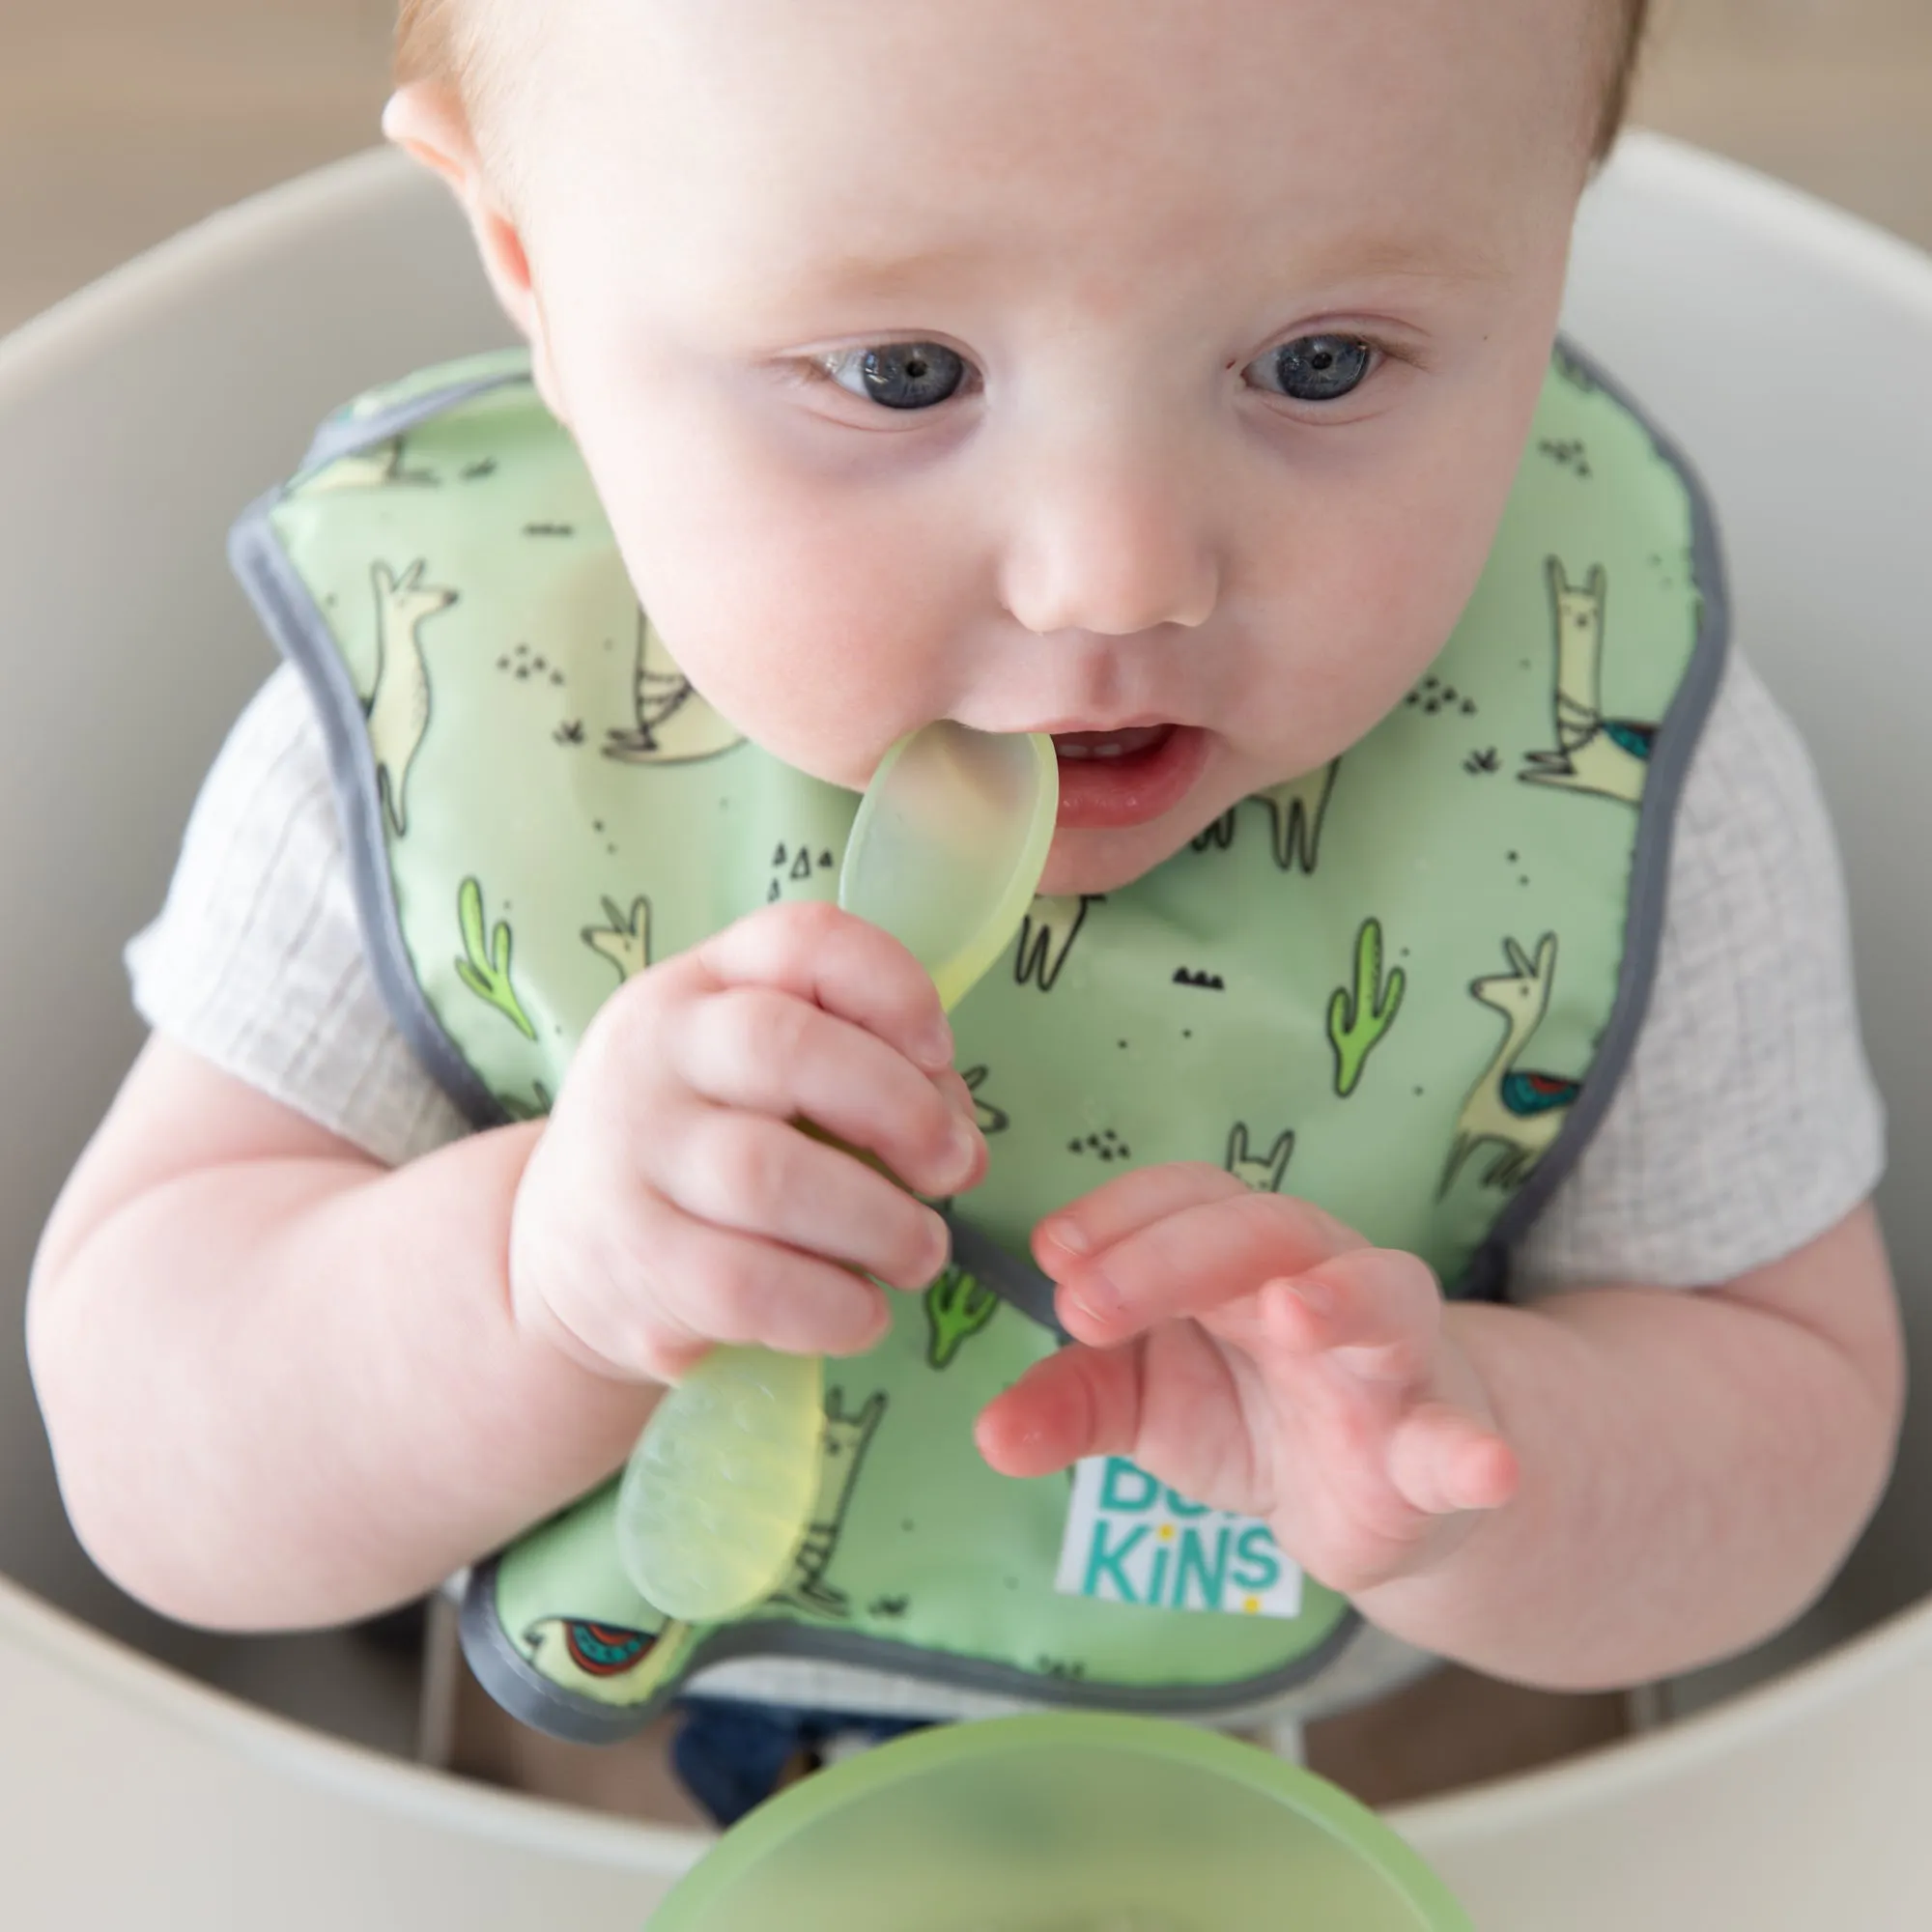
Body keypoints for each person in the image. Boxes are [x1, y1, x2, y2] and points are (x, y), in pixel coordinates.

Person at [27, 0, 1901, 1823]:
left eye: (1319, 363)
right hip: (626, 1751)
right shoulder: (449, 718)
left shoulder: (1613, 758)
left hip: (1375, 1749)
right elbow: (157, 1470)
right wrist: (533, 1281)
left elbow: (1788, 1440)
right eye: (899, 373)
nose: (1118, 570)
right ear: (532, 263)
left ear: (1555, 227)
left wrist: (1466, 1460)